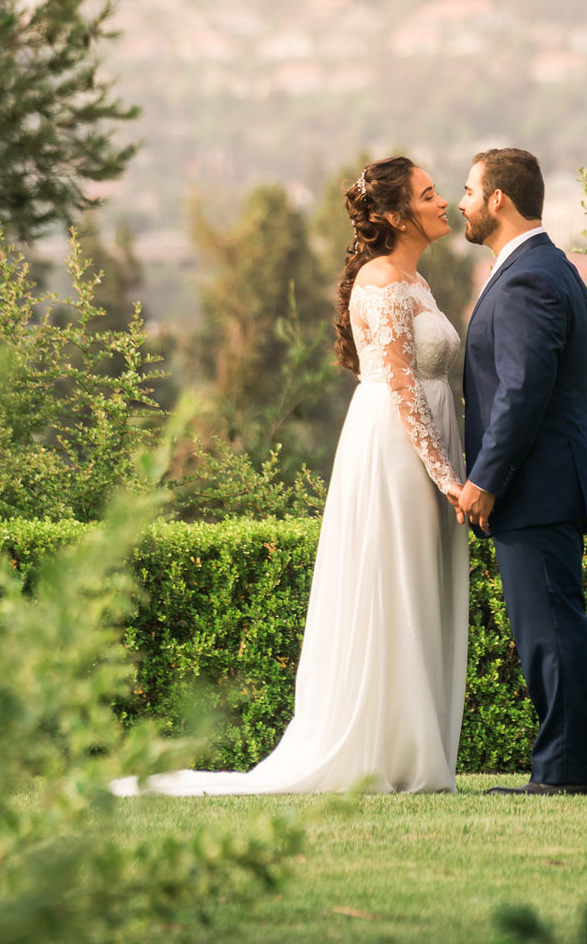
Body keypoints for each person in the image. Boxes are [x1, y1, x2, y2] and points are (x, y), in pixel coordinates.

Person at [111, 156, 468, 796]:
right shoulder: (382, 285)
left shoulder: (417, 283)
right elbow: (402, 391)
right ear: (393, 216)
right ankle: (393, 752)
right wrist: (445, 477)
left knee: (420, 585)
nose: (443, 203)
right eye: (429, 194)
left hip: (430, 446)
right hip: (399, 452)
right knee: (397, 583)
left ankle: (413, 744)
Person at [457, 147, 587, 796]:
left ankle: (565, 775)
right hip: (547, 483)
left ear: (499, 199)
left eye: (468, 190)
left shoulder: (528, 278)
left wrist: (485, 479)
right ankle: (565, 769)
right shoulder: (548, 267)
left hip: (537, 486)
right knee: (549, 630)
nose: (461, 202)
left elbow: (522, 390)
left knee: (549, 634)